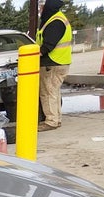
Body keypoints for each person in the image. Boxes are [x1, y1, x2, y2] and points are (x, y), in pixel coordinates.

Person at [37, 0, 72, 131]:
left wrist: (35, 54)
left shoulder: (55, 22)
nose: (40, 10)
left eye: (41, 7)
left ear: (48, 7)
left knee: (48, 92)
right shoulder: (57, 19)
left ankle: (51, 120)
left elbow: (48, 45)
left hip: (52, 63)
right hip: (59, 61)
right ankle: (56, 119)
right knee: (54, 92)